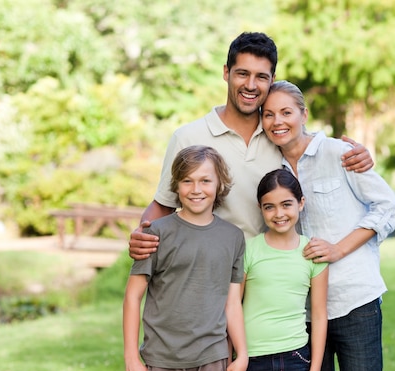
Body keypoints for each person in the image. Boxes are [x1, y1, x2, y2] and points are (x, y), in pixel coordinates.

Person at [128, 31, 374, 259]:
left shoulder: (279, 135)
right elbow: (163, 204)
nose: (250, 85)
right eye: (242, 74)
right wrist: (143, 234)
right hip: (212, 274)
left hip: (270, 276)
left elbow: (316, 154)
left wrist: (358, 155)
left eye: (261, 77)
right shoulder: (188, 137)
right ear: (226, 72)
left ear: (272, 80)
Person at [260, 80, 395, 371]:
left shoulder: (339, 154)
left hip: (355, 303)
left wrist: (338, 249)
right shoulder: (266, 168)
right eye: (268, 115)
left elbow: (387, 207)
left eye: (286, 112)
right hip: (303, 314)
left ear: (304, 114)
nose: (277, 121)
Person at [123, 145, 247, 371]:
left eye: (205, 180)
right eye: (187, 180)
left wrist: (242, 355)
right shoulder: (156, 233)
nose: (196, 189)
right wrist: (132, 357)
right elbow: (133, 297)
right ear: (176, 185)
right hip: (163, 358)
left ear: (219, 184)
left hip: (213, 359)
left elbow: (232, 303)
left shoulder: (233, 238)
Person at [237, 169, 328, 371]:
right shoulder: (249, 250)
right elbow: (232, 307)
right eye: (269, 207)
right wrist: (232, 362)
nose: (279, 214)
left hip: (296, 359)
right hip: (252, 362)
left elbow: (319, 316)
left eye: (286, 204)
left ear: (301, 203)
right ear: (260, 208)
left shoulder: (313, 253)